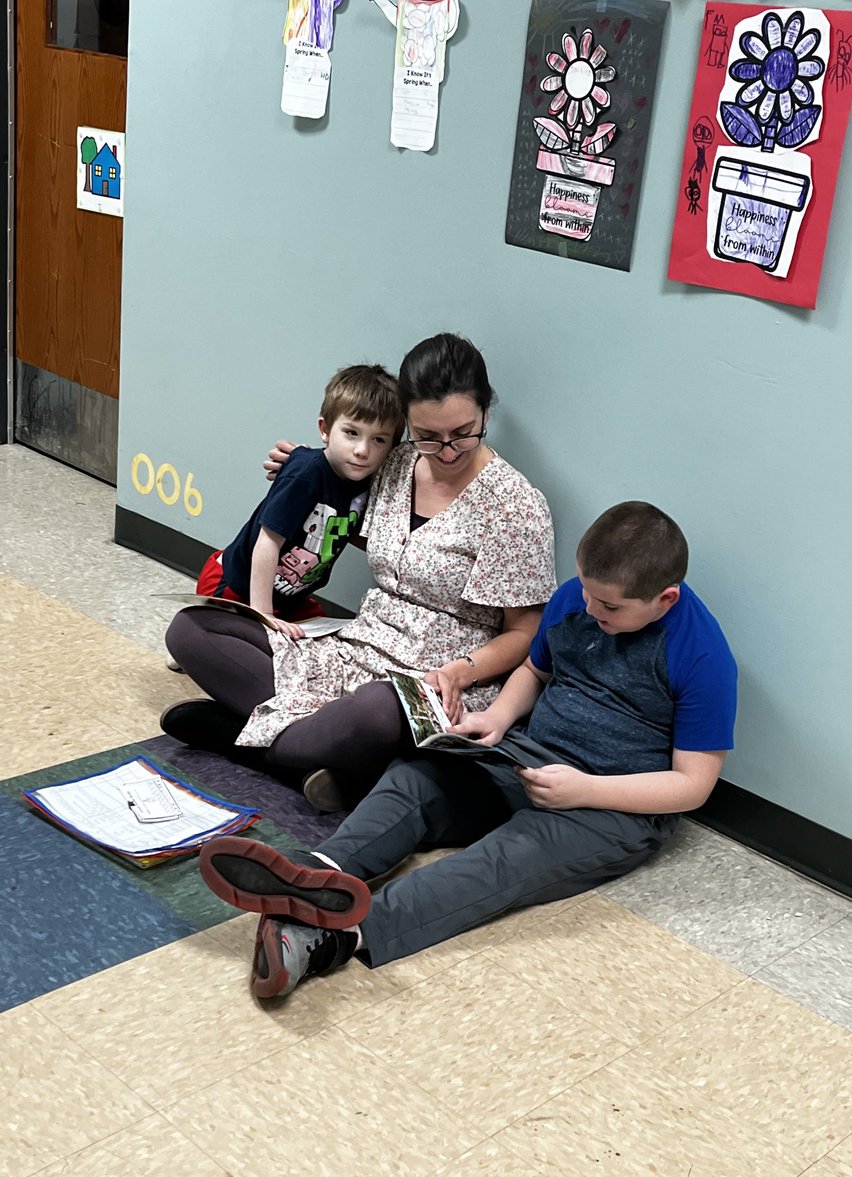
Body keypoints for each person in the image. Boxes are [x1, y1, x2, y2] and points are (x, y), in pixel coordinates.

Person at [197, 501, 739, 999]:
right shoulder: (579, 597)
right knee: (418, 775)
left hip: (613, 806)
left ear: (664, 599)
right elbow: (535, 667)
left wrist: (585, 789)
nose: (591, 608)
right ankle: (320, 870)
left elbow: (692, 786)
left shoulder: (703, 655)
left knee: (502, 861)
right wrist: (497, 719)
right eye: (587, 594)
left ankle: (328, 938)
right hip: (527, 755)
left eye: (611, 608)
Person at [163, 333, 557, 811]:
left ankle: (239, 738)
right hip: (355, 645)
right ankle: (318, 754)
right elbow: (337, 485)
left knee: (379, 709)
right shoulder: (394, 463)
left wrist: (460, 670)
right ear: (406, 423)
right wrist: (299, 470)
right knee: (191, 629)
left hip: (439, 673)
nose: (447, 451)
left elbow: (527, 632)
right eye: (428, 436)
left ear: (486, 414)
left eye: (464, 433)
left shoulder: (515, 507)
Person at [193, 364, 403, 640]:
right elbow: (267, 541)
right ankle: (195, 637)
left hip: (288, 597)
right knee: (240, 644)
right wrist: (263, 614)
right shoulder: (306, 473)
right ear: (325, 429)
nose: (362, 450)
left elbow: (355, 532)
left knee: (330, 642)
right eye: (351, 433)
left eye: (378, 440)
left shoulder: (364, 483)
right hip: (237, 585)